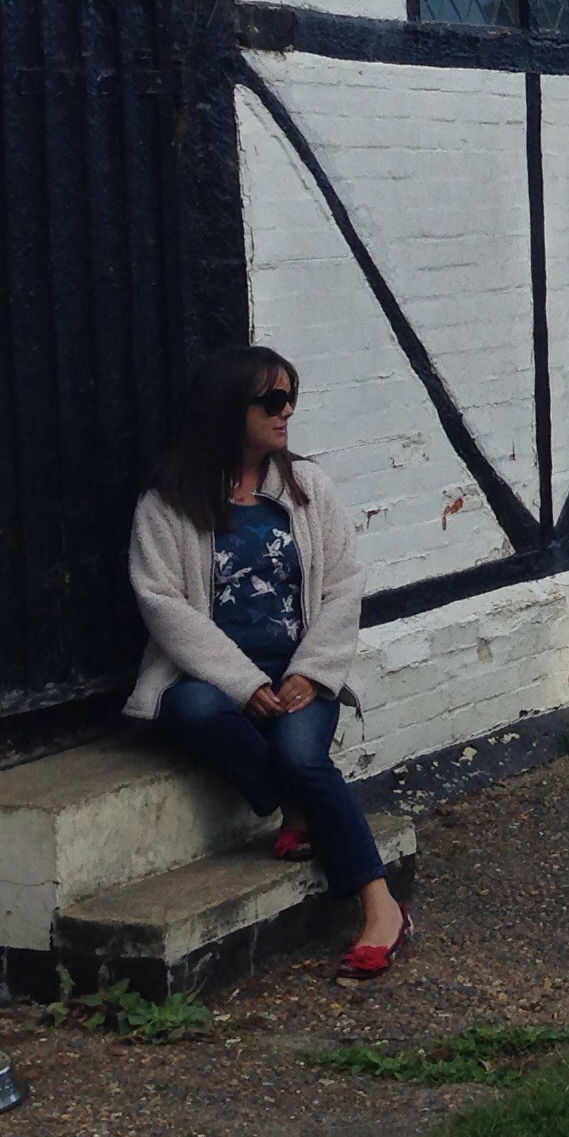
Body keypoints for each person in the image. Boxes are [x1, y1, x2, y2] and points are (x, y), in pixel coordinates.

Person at [125, 345, 411, 976]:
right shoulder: (168, 502)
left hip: (301, 671)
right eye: (273, 401)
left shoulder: (308, 488)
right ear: (230, 408)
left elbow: (344, 585)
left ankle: (381, 907)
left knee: (304, 757)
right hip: (211, 674)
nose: (287, 413)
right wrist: (242, 682)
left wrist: (310, 672)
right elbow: (161, 601)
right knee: (192, 710)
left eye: (291, 398)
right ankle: (295, 807)